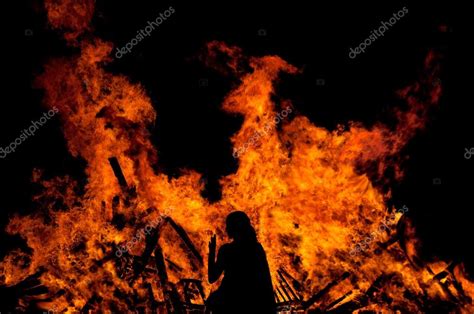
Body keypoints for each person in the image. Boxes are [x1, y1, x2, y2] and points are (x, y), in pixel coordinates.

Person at [206, 211, 276, 314]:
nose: (226, 229)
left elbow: (212, 278)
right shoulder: (256, 248)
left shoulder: (227, 250)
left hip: (228, 302)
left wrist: (211, 253)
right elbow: (265, 280)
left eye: (228, 225)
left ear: (233, 228)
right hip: (254, 302)